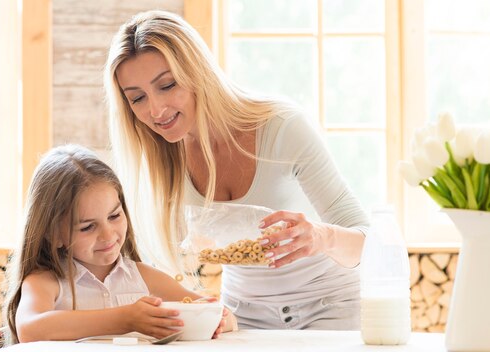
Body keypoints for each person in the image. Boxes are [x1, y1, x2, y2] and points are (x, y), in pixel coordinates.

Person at [104, 10, 370, 330]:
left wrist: (321, 236)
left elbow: (370, 245)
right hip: (244, 317)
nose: (155, 110)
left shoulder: (282, 127)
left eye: (168, 85)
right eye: (137, 98)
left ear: (197, 72)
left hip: (332, 308)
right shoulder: (160, 154)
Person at [1, 144, 234, 344]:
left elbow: (215, 312)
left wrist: (217, 318)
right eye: (87, 227)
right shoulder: (47, 281)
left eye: (114, 216)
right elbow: (30, 328)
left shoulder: (145, 277)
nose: (108, 234)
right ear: (53, 234)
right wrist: (125, 319)